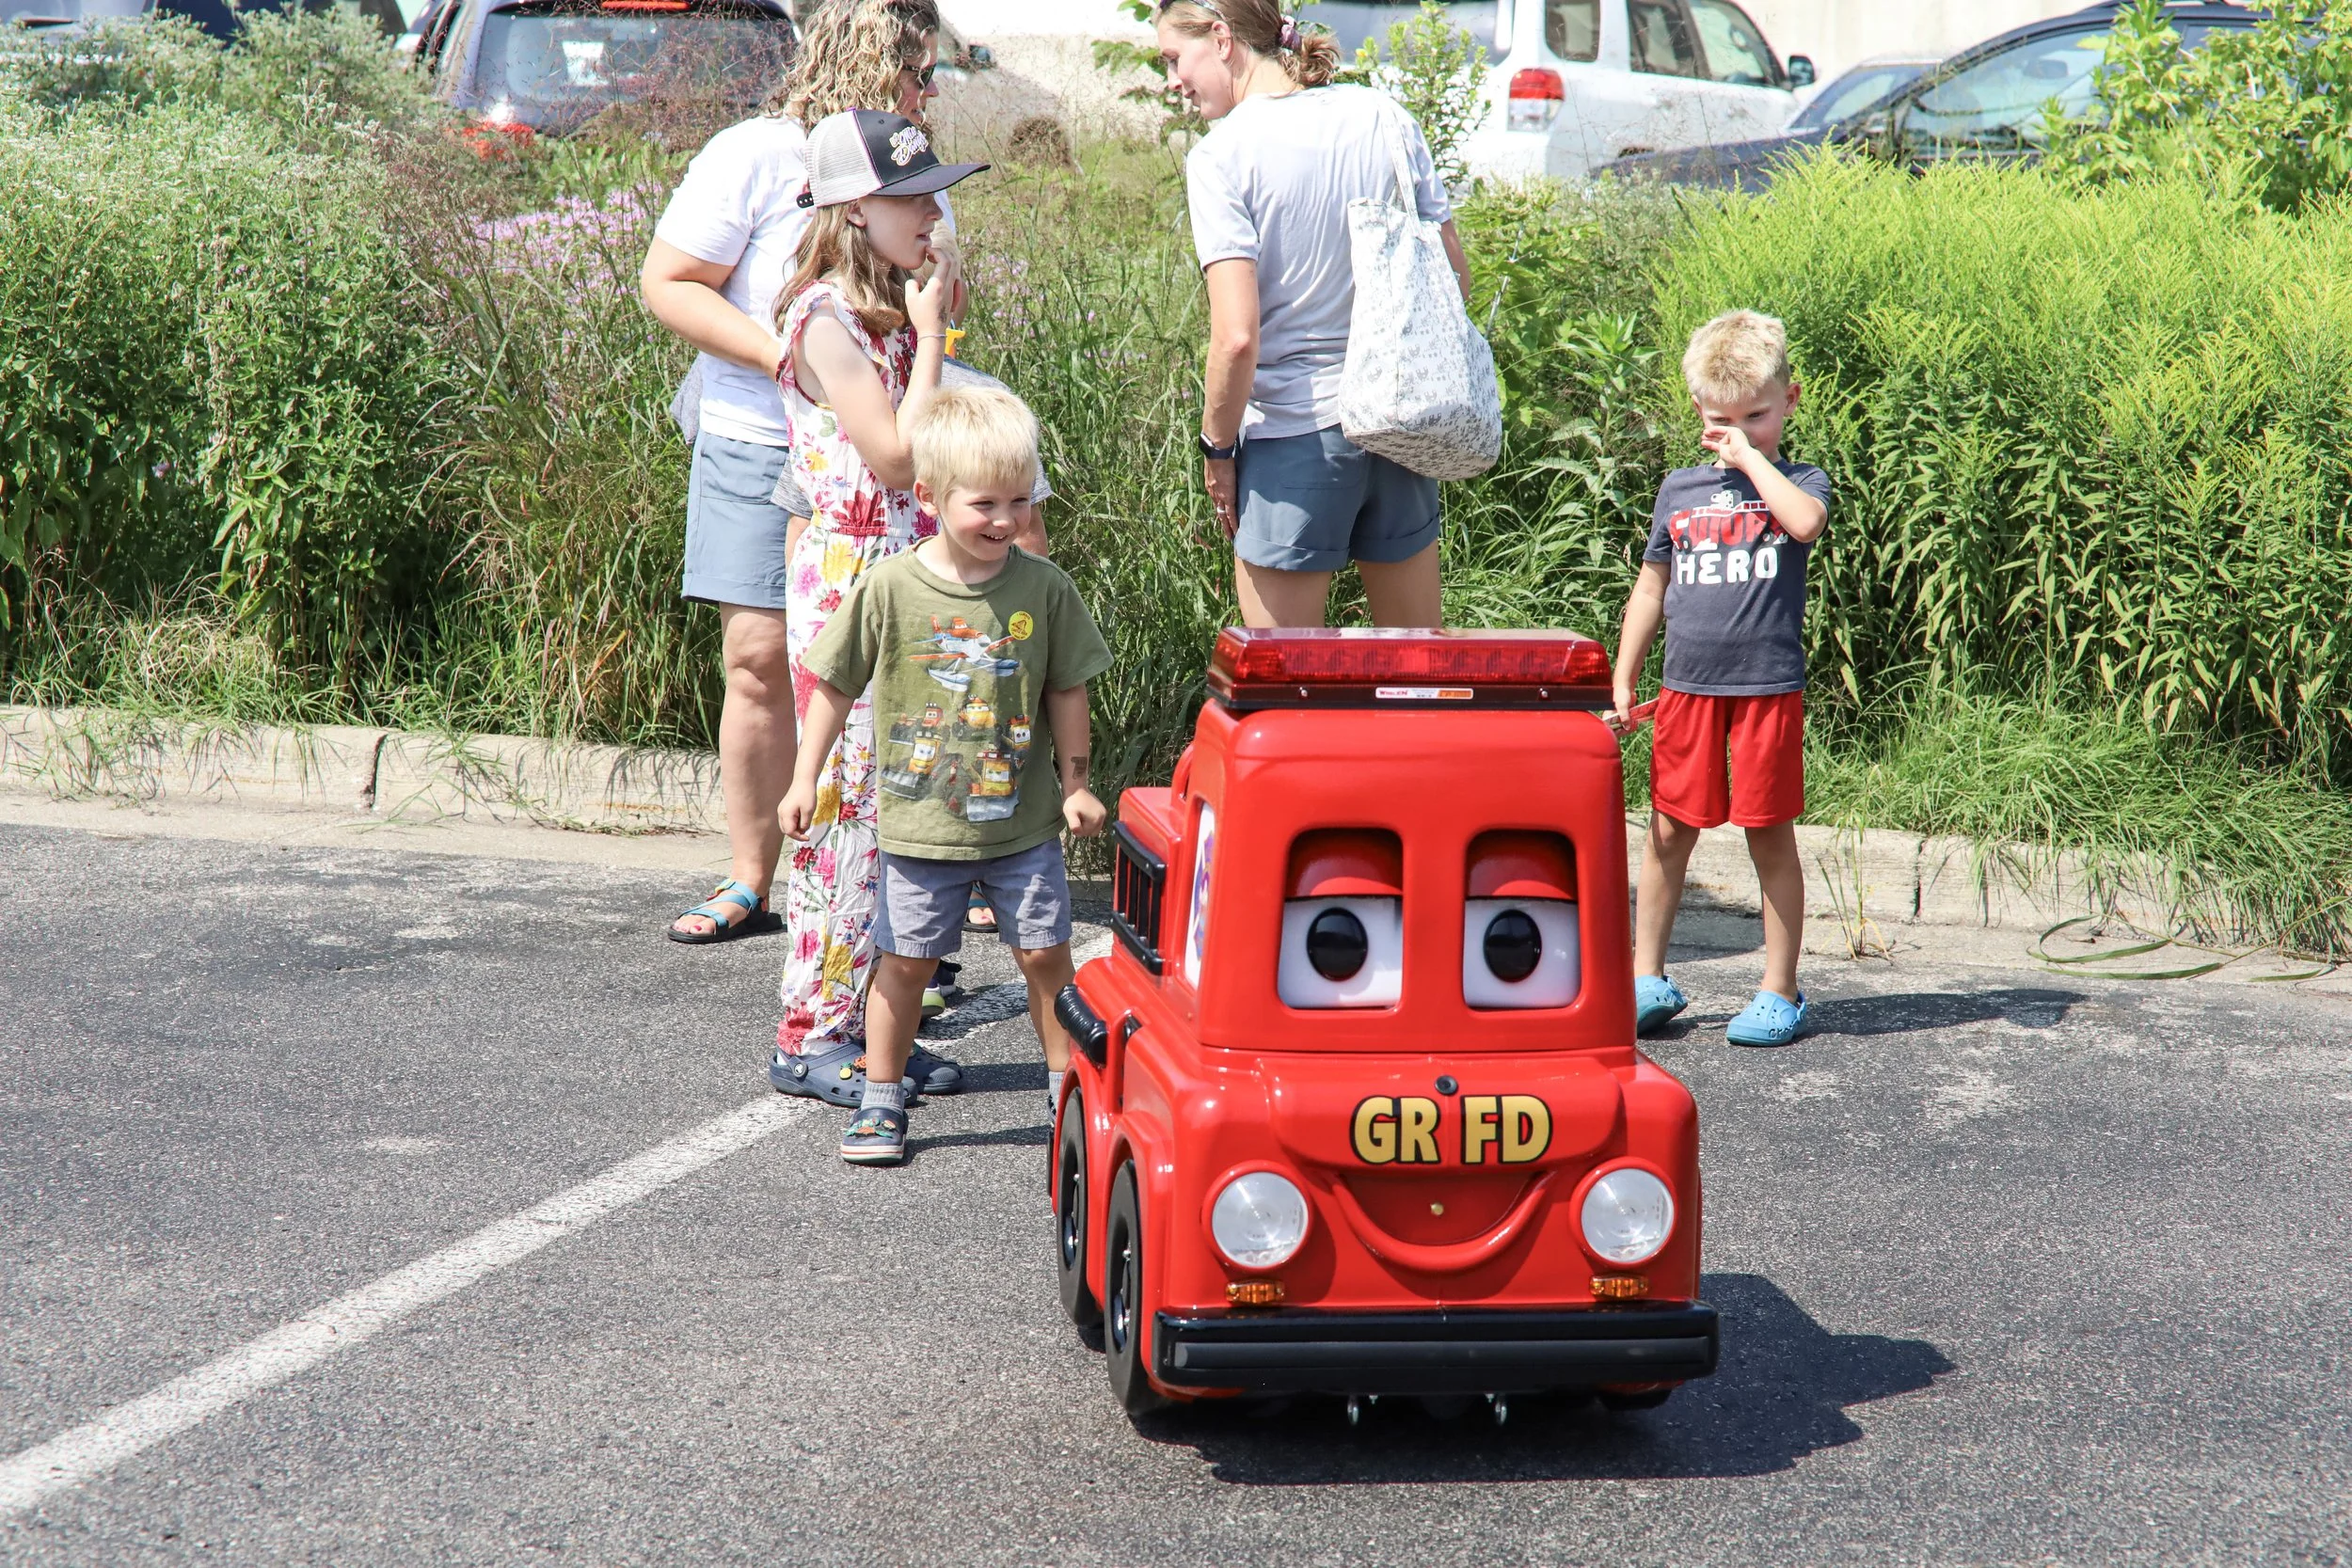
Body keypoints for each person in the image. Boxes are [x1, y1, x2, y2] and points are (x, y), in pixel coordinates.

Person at [640, 0, 949, 946]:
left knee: (888, 674)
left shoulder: (907, 163)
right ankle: (751, 875)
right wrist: (792, 357)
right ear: (873, 63)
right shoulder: (755, 153)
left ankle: (897, 886)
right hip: (756, 434)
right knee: (757, 657)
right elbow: (667, 282)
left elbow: (931, 306)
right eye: (920, 72)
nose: (931, 92)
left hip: (873, 454)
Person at [781, 384, 1112, 1164]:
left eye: (1020, 501)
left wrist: (1076, 784)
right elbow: (832, 684)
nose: (1006, 520)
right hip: (920, 827)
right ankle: (881, 1097)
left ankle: (1067, 1095)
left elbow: (1068, 688)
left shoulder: (1046, 588)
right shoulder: (890, 587)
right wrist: (804, 778)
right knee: (905, 965)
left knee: (1046, 957)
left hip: (1024, 826)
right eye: (985, 503)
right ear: (929, 497)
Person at [763, 107, 988, 1107]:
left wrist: (927, 323)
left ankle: (869, 1028)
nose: (932, 212)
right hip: (851, 586)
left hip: (902, 578)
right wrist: (933, 333)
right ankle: (808, 1031)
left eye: (934, 193)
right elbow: (898, 457)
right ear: (854, 210)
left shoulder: (882, 309)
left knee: (895, 814)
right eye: (911, 198)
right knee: (843, 814)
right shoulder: (823, 319)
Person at [1155, 0, 1471, 629]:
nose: (1172, 80)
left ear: (1220, 37)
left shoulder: (1222, 156)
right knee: (1415, 669)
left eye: (1173, 58)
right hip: (1399, 424)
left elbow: (1237, 337)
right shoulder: (1384, 116)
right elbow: (1454, 278)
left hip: (1294, 438)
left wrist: (1217, 449)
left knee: (1286, 679)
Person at [1607, 310, 1833, 1049]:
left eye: (1756, 417)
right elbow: (1651, 587)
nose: (1737, 434)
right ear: (1697, 412)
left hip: (1766, 691)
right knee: (1669, 831)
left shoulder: (1797, 480)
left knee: (1768, 835)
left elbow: (1804, 524)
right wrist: (1625, 672)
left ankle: (1780, 989)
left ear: (1789, 401)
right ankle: (1646, 977)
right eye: (1719, 422)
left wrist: (1752, 460)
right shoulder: (1679, 490)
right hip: (1687, 689)